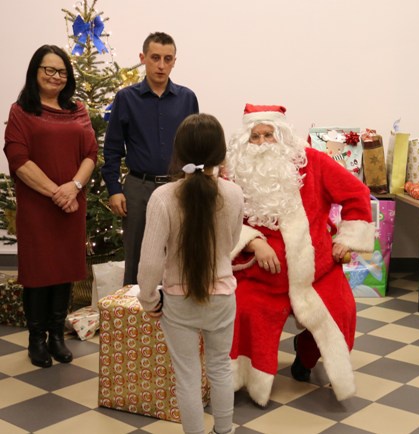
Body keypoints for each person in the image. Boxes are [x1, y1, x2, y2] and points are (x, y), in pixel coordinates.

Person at [226, 104, 375, 407]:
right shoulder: (233, 170)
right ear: (245, 141)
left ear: (283, 137)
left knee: (341, 310)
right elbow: (220, 219)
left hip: (316, 273)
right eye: (255, 137)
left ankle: (306, 358)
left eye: (270, 135)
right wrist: (253, 241)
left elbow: (356, 192)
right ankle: (243, 378)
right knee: (244, 312)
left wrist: (347, 240)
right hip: (257, 275)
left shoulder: (313, 163)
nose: (263, 143)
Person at [137, 113, 242, 434]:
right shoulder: (234, 193)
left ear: (178, 152)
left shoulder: (163, 197)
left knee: (187, 376)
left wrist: (148, 299)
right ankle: (224, 430)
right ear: (220, 154)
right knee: (221, 368)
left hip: (178, 302)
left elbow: (150, 261)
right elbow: (232, 243)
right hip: (222, 297)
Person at [3, 45, 98, 368]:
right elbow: (18, 159)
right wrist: (55, 192)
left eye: (62, 72)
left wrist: (73, 187)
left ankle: (57, 335)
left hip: (71, 204)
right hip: (38, 207)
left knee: (65, 271)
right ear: (35, 72)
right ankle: (36, 339)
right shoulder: (21, 111)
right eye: (49, 70)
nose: (56, 77)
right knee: (39, 272)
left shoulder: (78, 109)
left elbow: (90, 154)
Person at [102, 31, 199, 285]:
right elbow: (112, 148)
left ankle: (175, 317)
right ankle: (136, 318)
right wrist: (114, 188)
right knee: (136, 253)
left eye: (168, 59)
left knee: (178, 252)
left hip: (177, 186)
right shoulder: (126, 98)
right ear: (143, 58)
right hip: (138, 187)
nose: (161, 65)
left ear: (174, 61)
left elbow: (195, 146)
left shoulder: (187, 98)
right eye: (155, 58)